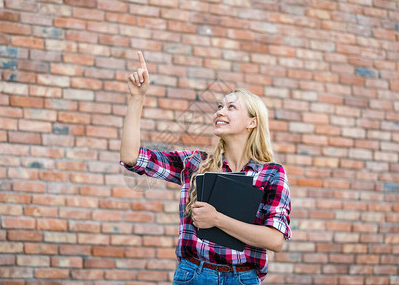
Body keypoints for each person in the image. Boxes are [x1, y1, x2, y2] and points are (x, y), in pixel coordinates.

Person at [120, 51, 291, 284]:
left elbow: (275, 240)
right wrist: (136, 98)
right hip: (193, 275)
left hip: (242, 279)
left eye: (231, 107)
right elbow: (132, 157)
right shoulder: (194, 163)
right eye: (220, 106)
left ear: (252, 122)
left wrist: (217, 219)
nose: (220, 111)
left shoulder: (272, 174)